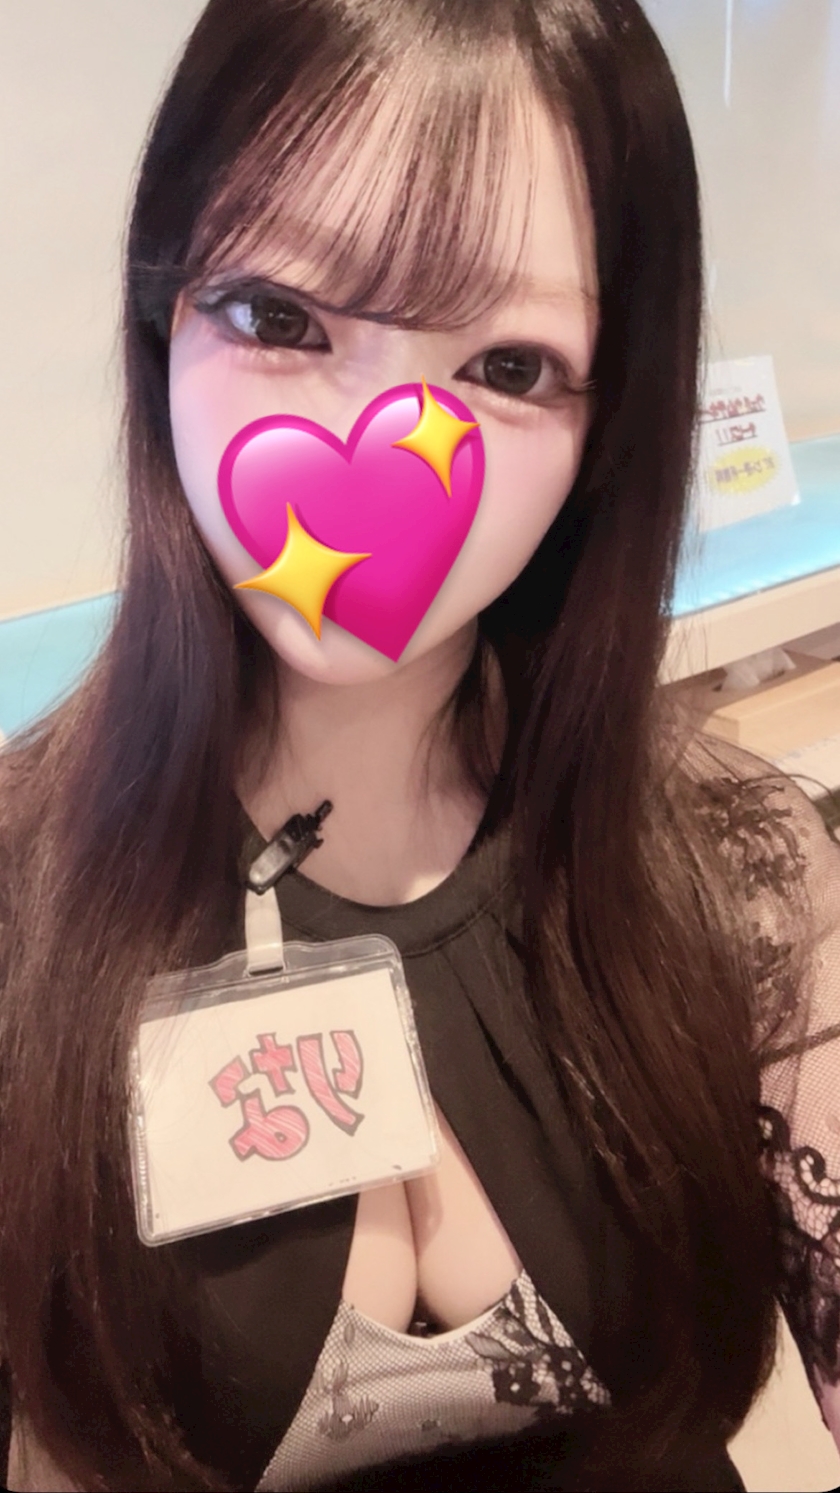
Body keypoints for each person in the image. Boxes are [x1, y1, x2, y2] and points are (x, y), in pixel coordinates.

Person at [1, 1, 838, 1489]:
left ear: (608, 423)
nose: (376, 466)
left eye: (508, 367)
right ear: (161, 319)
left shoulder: (744, 868)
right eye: (279, 318)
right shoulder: (20, 891)